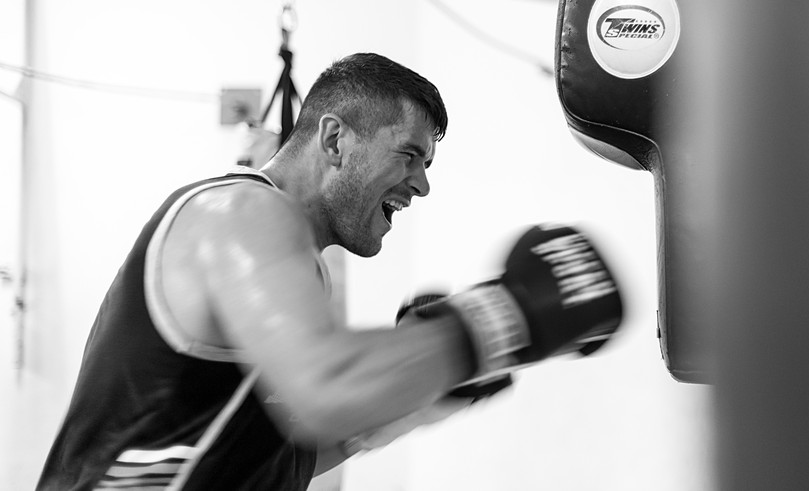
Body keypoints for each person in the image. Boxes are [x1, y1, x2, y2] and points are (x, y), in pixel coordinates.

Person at [38, 53, 623, 490]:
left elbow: (288, 456)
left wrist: (423, 389)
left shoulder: (298, 273)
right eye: (409, 154)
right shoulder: (240, 211)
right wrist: (502, 318)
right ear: (336, 138)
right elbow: (328, 390)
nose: (422, 184)